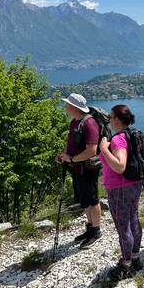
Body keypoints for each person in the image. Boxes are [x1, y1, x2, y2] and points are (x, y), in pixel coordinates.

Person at [99, 105, 143, 282]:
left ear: (117, 119)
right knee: (133, 219)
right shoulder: (131, 134)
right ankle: (135, 257)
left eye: (110, 117)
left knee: (123, 226)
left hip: (119, 189)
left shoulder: (118, 139)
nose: (109, 120)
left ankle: (126, 265)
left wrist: (103, 149)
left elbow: (119, 166)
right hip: (134, 184)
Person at [56, 93, 102, 249]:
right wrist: (64, 156)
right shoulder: (75, 122)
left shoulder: (89, 124)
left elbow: (92, 150)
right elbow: (71, 144)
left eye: (68, 104)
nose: (66, 106)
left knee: (93, 199)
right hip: (78, 167)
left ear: (75, 107)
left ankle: (96, 231)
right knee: (85, 199)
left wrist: (72, 159)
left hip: (87, 168)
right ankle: (90, 228)